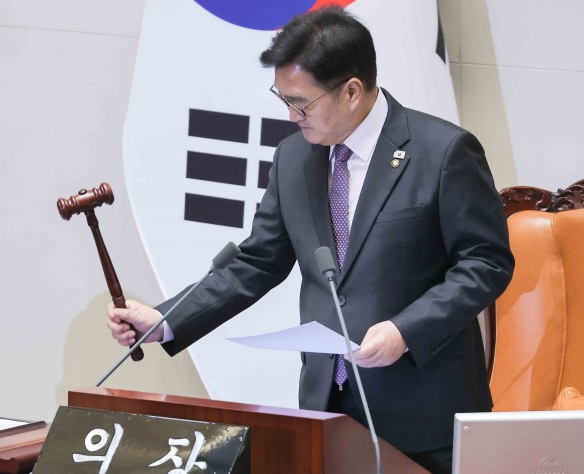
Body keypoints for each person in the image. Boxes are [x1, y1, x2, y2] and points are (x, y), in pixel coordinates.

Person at [108, 6, 514, 473]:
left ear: (352, 91)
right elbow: (257, 262)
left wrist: (407, 330)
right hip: (328, 407)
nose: (290, 115)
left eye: (301, 103)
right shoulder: (294, 157)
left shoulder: (442, 152)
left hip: (423, 413)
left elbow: (486, 262)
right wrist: (166, 319)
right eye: (283, 99)